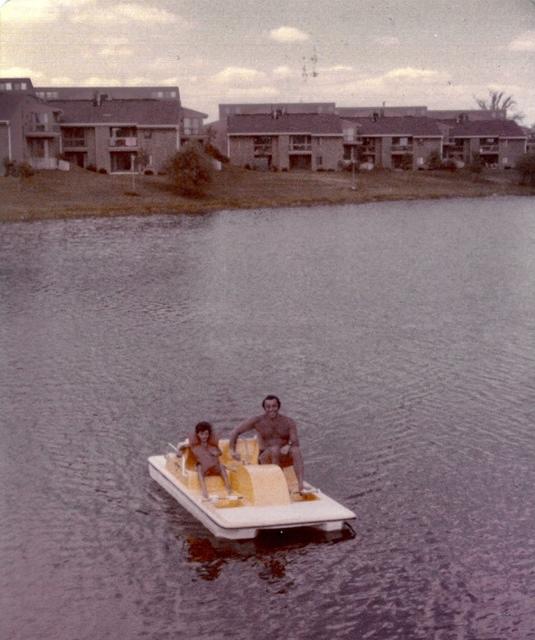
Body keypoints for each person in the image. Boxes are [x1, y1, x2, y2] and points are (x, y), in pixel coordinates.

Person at [229, 395, 305, 493]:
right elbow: (235, 432)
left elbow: (295, 441)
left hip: (283, 456)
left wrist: (288, 445)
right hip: (266, 457)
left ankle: (301, 485)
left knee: (296, 450)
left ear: (278, 407)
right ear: (264, 408)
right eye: (268, 407)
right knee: (275, 449)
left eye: (274, 406)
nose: (271, 409)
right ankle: (278, 484)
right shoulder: (257, 421)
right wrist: (232, 450)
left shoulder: (288, 422)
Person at [189, 421, 232, 500]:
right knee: (199, 467)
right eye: (202, 434)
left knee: (222, 466)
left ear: (209, 435)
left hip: (214, 468)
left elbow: (219, 453)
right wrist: (179, 452)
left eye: (206, 434)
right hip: (204, 469)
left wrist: (216, 453)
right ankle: (204, 492)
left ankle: (229, 489)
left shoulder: (212, 446)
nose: (204, 436)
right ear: (198, 434)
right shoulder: (195, 446)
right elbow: (183, 446)